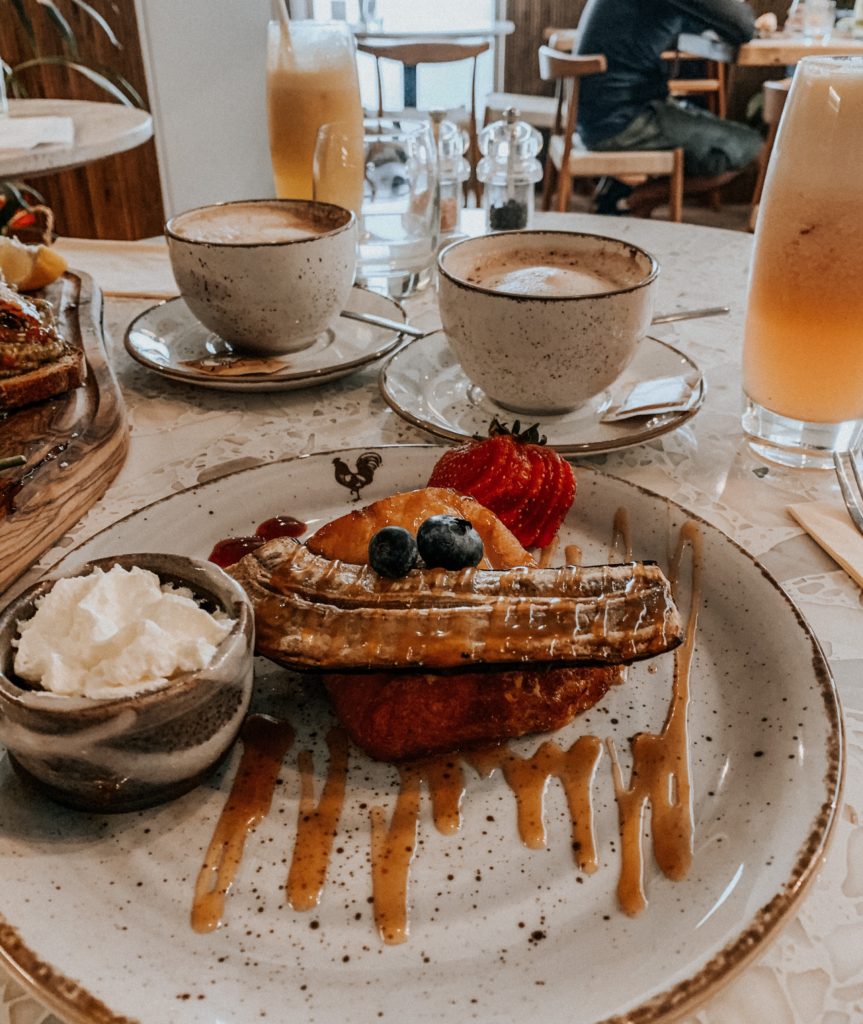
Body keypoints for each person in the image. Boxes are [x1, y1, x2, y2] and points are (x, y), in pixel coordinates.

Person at [575, 0, 770, 213]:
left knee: (708, 127)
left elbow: (695, 25)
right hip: (622, 121)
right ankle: (633, 200)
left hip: (600, 116)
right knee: (754, 149)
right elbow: (742, 26)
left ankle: (622, 196)